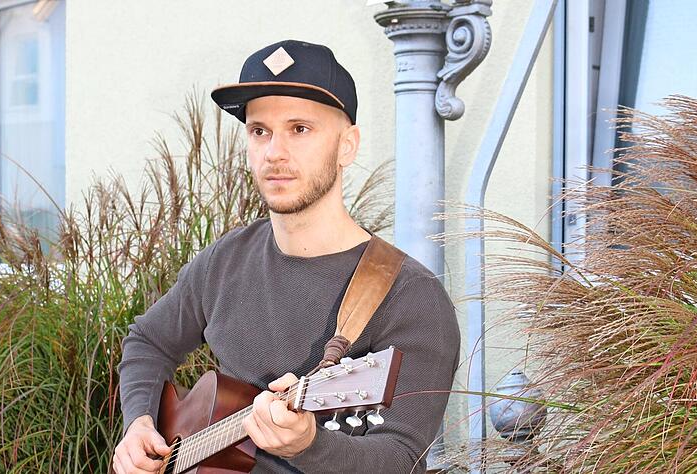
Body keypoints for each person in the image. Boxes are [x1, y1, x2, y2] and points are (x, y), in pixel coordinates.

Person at [113, 39, 460, 474]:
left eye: (300, 129)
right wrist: (139, 424)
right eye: (260, 131)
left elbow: (399, 459)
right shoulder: (226, 259)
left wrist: (308, 446)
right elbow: (148, 340)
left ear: (347, 145)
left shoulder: (410, 296)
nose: (275, 153)